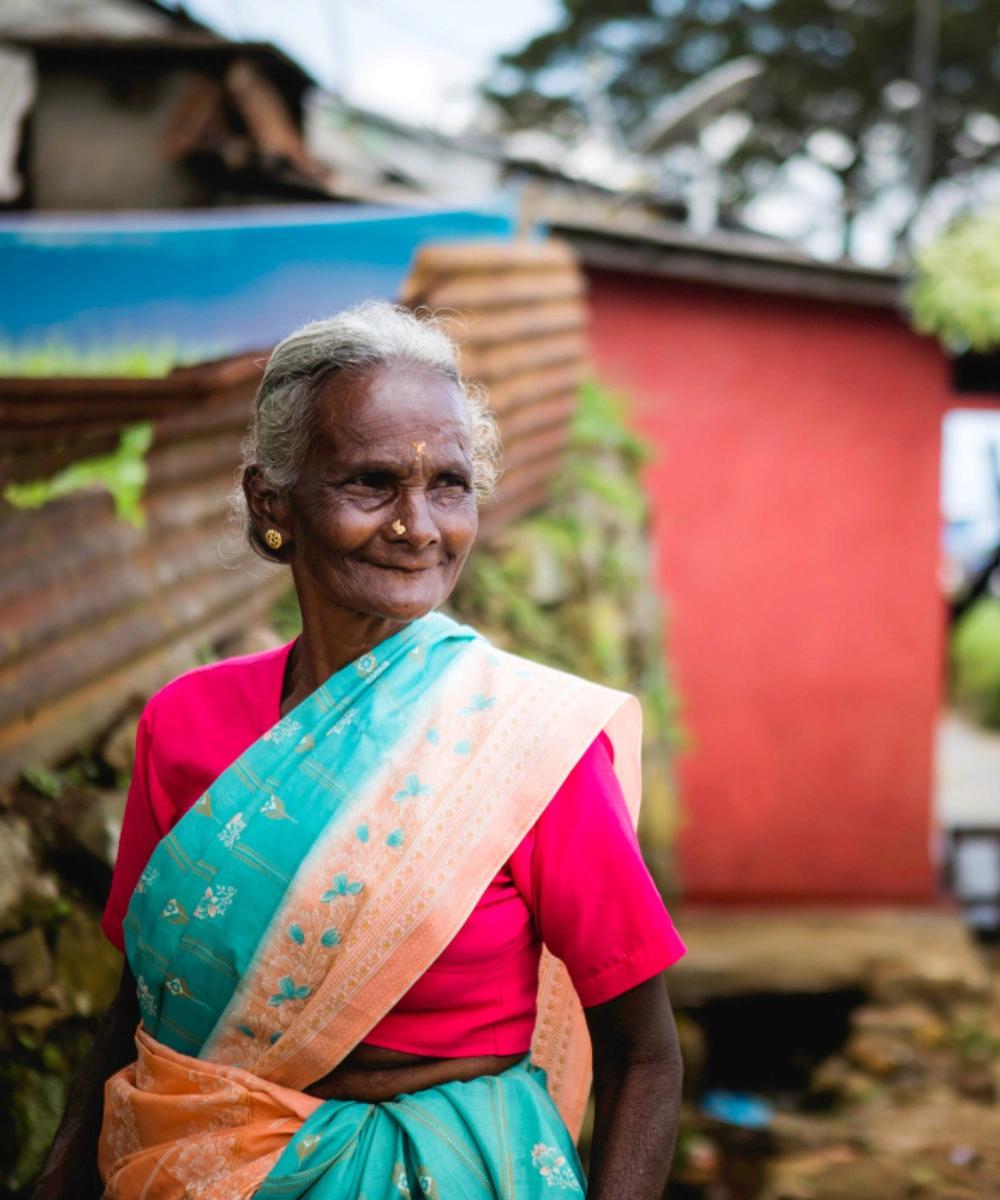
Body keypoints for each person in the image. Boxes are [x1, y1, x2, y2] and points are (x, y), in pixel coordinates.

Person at [34, 302, 686, 1199]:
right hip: (194, 1162)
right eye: (371, 483)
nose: (419, 525)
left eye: (450, 485)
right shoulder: (187, 725)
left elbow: (644, 1056)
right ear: (274, 502)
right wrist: (67, 1163)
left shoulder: (529, 746)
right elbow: (145, 995)